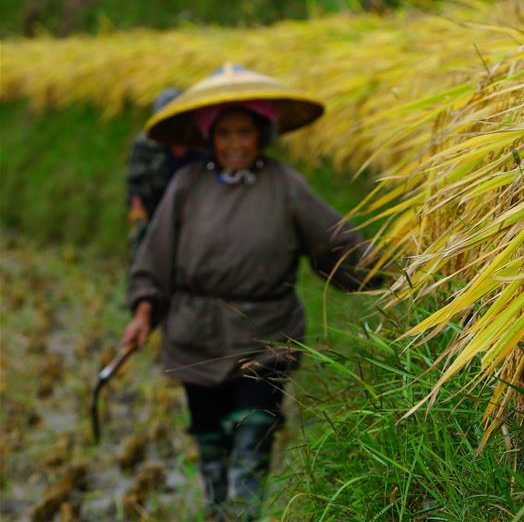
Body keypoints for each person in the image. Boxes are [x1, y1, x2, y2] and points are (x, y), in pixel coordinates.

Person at [119, 64, 384, 520]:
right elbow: (155, 258)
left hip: (265, 334)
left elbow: (332, 240)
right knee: (211, 442)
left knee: (251, 436)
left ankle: (242, 514)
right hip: (196, 333)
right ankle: (217, 510)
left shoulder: (285, 184)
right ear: (211, 138)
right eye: (225, 134)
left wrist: (385, 266)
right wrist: (143, 313)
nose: (235, 144)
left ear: (262, 134)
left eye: (245, 132)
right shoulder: (186, 186)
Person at [125, 87, 203, 261]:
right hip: (155, 209)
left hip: (194, 211)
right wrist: (138, 212)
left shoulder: (200, 142)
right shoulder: (146, 144)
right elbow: (135, 183)